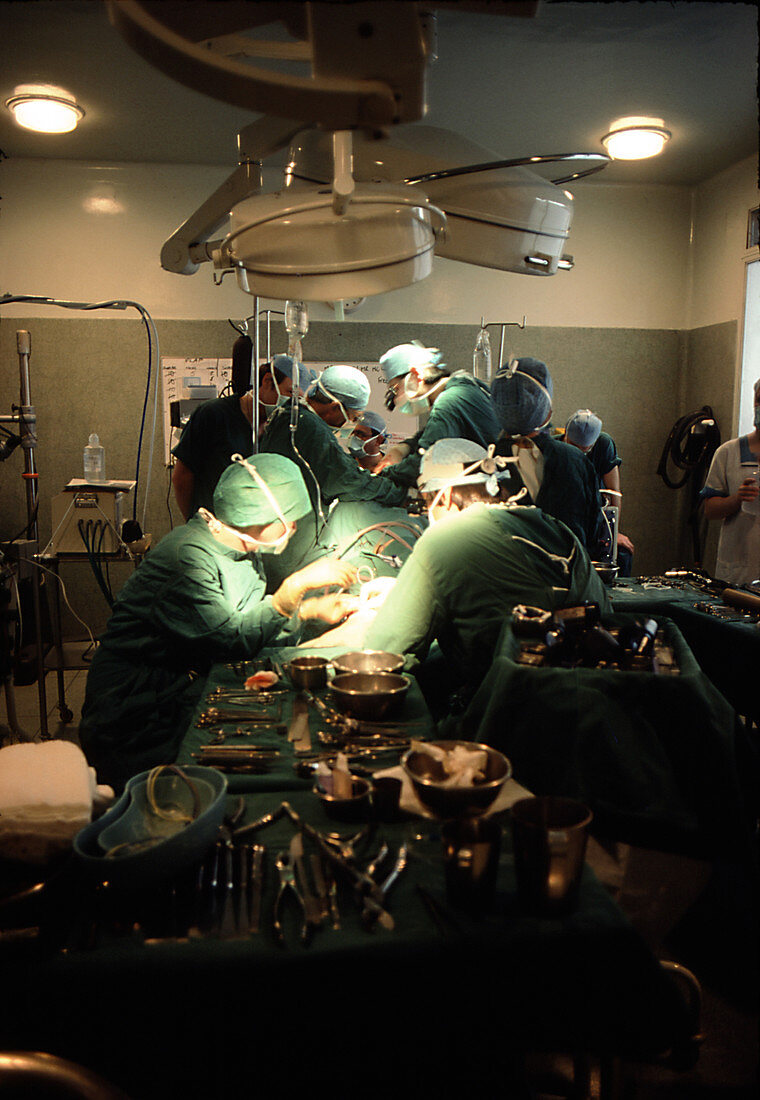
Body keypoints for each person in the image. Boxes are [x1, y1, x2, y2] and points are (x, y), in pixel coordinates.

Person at [79, 454, 359, 789]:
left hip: (185, 682)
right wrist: (294, 588)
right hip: (135, 715)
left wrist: (309, 610)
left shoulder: (242, 551)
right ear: (255, 516)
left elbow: (249, 624)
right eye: (289, 520)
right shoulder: (187, 559)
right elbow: (230, 640)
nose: (294, 528)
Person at [359, 438, 609, 702]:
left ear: (443, 495)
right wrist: (405, 591)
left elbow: (383, 650)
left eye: (425, 503)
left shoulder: (444, 539)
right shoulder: (552, 525)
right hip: (593, 702)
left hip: (507, 715)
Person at [259, 364, 408, 587]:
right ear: (334, 405)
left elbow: (337, 467)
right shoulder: (308, 427)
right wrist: (400, 493)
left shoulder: (289, 415)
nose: (350, 421)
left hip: (274, 539)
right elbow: (349, 481)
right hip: (291, 549)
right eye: (352, 415)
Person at [171, 354, 312, 520]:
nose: (291, 403)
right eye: (289, 393)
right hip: (214, 525)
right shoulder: (213, 414)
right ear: (267, 381)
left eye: (298, 399)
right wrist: (196, 523)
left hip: (258, 531)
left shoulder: (283, 426)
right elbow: (182, 478)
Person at [491, 358, 603, 551]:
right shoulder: (575, 461)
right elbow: (593, 531)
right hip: (565, 576)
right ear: (548, 413)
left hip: (504, 579)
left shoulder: (482, 463)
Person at [373, 342, 502, 488]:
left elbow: (424, 463)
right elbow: (430, 436)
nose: (396, 398)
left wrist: (386, 473)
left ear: (417, 375)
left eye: (396, 389)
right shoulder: (462, 387)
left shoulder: (449, 401)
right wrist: (402, 448)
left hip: (495, 488)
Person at [700, 378, 760, 586]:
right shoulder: (728, 453)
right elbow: (710, 511)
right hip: (737, 571)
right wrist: (737, 500)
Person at [564, 409, 635, 574]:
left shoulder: (603, 444)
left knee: (622, 555)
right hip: (567, 521)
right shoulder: (556, 449)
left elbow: (613, 491)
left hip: (596, 521)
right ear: (566, 437)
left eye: (584, 450)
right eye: (574, 448)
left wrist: (613, 534)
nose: (579, 455)